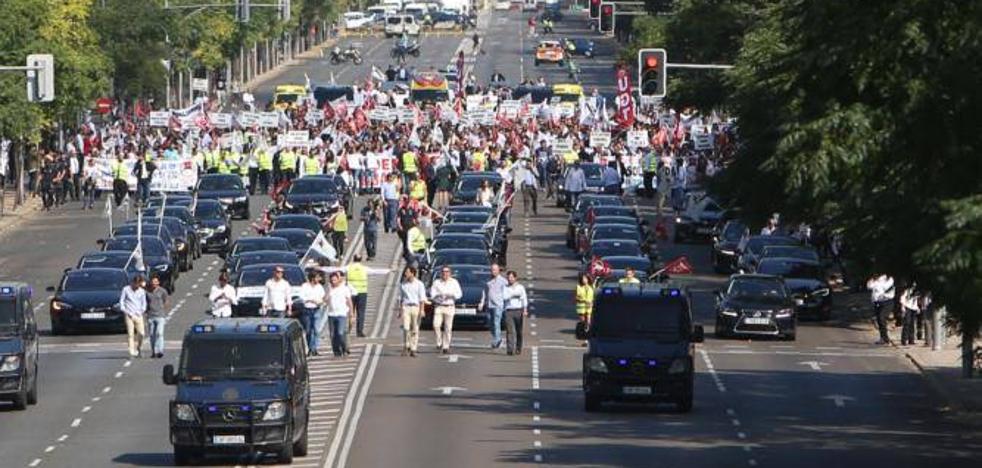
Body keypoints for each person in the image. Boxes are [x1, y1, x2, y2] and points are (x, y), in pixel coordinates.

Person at [429, 266, 462, 354]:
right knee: (436, 325)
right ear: (441, 273)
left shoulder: (454, 282)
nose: (445, 274)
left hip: (450, 306)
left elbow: (459, 294)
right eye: (443, 272)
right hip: (439, 306)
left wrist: (451, 295)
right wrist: (438, 296)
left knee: (448, 328)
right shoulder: (437, 282)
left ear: (450, 273)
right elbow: (432, 294)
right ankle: (439, 342)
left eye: (447, 272)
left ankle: (446, 346)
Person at [398, 266, 428, 357]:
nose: (405, 274)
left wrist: (422, 310)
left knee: (415, 329)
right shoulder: (403, 284)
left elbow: (422, 298)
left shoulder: (419, 284)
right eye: (405, 272)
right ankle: (406, 345)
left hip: (416, 307)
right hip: (406, 307)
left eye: (407, 272)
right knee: (406, 328)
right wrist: (400, 311)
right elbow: (401, 298)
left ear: (412, 273)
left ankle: (413, 348)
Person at [325, 271, 354, 358]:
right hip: (331, 314)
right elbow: (325, 300)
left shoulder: (344, 289)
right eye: (332, 280)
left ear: (338, 280)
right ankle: (336, 351)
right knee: (333, 335)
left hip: (342, 314)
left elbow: (349, 301)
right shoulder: (329, 289)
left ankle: (344, 348)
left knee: (341, 333)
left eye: (335, 280)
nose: (333, 282)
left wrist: (351, 313)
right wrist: (328, 293)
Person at [119, 275, 147, 358]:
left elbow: (144, 303)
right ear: (133, 282)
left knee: (141, 333)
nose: (137, 286)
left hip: (138, 314)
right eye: (136, 284)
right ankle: (132, 351)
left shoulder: (142, 291)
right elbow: (122, 301)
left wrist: (141, 311)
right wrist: (126, 311)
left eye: (139, 284)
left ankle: (139, 347)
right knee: (130, 334)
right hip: (129, 315)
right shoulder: (126, 289)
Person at [299, 271, 326, 356]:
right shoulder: (304, 286)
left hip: (316, 309)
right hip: (307, 309)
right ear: (312, 278)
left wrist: (320, 302)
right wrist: (310, 300)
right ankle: (310, 348)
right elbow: (302, 297)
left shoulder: (319, 287)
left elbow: (322, 297)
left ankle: (315, 348)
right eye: (317, 277)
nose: (319, 279)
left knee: (317, 330)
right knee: (308, 330)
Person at [502, 271, 529, 356]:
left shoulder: (520, 288)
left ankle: (518, 348)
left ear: (515, 278)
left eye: (511, 277)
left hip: (518, 311)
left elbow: (523, 298)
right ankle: (510, 349)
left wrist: (525, 310)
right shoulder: (505, 288)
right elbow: (504, 297)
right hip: (509, 311)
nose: (510, 279)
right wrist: (513, 295)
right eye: (508, 278)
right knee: (510, 331)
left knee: (518, 331)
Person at [482, 263, 508, 349]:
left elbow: (506, 293)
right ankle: (497, 338)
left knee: (496, 322)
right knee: (490, 323)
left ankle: (497, 340)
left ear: (498, 271)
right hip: (489, 304)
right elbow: (485, 292)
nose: (493, 271)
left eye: (495, 270)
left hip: (498, 305)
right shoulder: (488, 281)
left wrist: (505, 304)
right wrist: (482, 302)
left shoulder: (503, 281)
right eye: (492, 270)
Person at [144, 275, 169, 359]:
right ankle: (153, 351)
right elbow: (145, 302)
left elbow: (166, 300)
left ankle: (160, 350)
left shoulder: (162, 291)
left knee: (159, 333)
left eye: (156, 282)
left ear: (158, 283)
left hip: (160, 315)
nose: (154, 284)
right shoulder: (147, 292)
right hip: (151, 315)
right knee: (152, 334)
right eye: (153, 282)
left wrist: (162, 309)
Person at [867, 273, 895, 345]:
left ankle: (886, 338)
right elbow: (869, 286)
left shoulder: (889, 279)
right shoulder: (875, 280)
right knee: (879, 320)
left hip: (887, 301)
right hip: (877, 302)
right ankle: (882, 337)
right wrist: (873, 279)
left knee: (882, 317)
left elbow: (886, 288)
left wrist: (878, 283)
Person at [347, 255, 369, 337]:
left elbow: (336, 269)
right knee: (361, 312)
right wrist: (390, 270)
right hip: (362, 292)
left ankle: (348, 330)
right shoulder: (364, 268)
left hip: (351, 293)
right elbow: (377, 271)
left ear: (353, 259)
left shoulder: (349, 268)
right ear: (361, 260)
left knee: (350, 312)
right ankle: (359, 331)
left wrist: (322, 268)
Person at [574, 273, 594, 339]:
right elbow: (576, 298)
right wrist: (583, 300)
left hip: (589, 307)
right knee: (583, 322)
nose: (584, 280)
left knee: (588, 322)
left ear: (588, 279)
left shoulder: (591, 286)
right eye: (583, 279)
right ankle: (584, 337)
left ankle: (587, 337)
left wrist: (592, 302)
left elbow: (593, 296)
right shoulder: (578, 287)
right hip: (581, 307)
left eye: (585, 278)